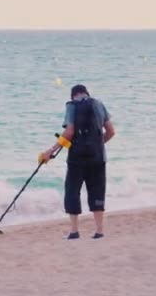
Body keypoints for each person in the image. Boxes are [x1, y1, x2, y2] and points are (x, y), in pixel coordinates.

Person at [39, 84, 115, 239]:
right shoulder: (99, 104)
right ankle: (99, 231)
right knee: (97, 191)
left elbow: (69, 132)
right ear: (87, 93)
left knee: (72, 191)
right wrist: (97, 145)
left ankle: (74, 231)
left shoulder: (71, 107)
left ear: (72, 96)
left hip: (77, 158)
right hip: (98, 157)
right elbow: (111, 132)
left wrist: (49, 152)